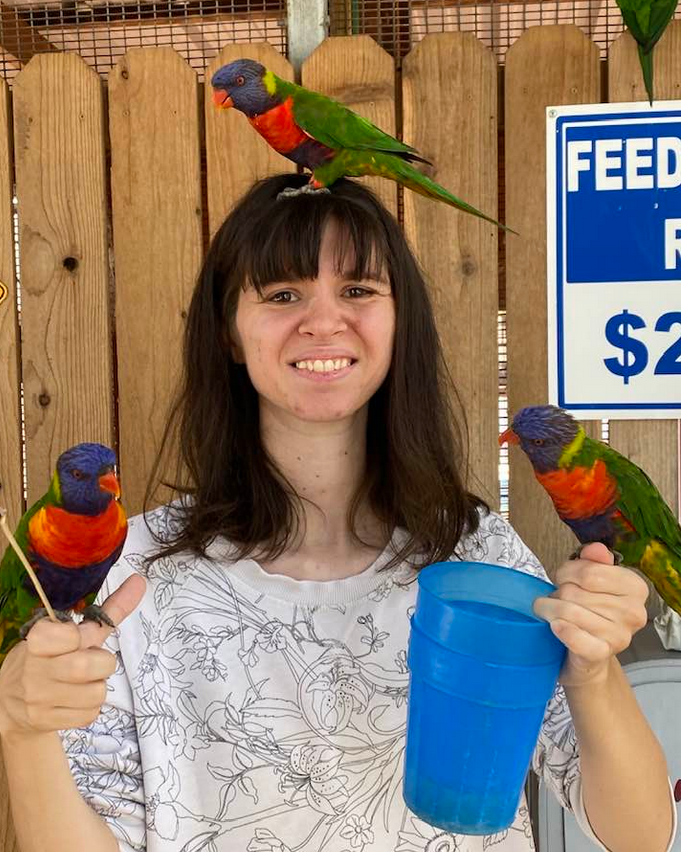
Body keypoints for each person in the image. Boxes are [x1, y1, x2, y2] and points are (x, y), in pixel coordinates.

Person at [0, 173, 676, 852]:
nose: (323, 321)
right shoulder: (132, 576)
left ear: (399, 321)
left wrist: (591, 671)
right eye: (282, 294)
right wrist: (23, 731)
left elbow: (641, 835)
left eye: (357, 291)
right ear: (229, 331)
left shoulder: (478, 557)